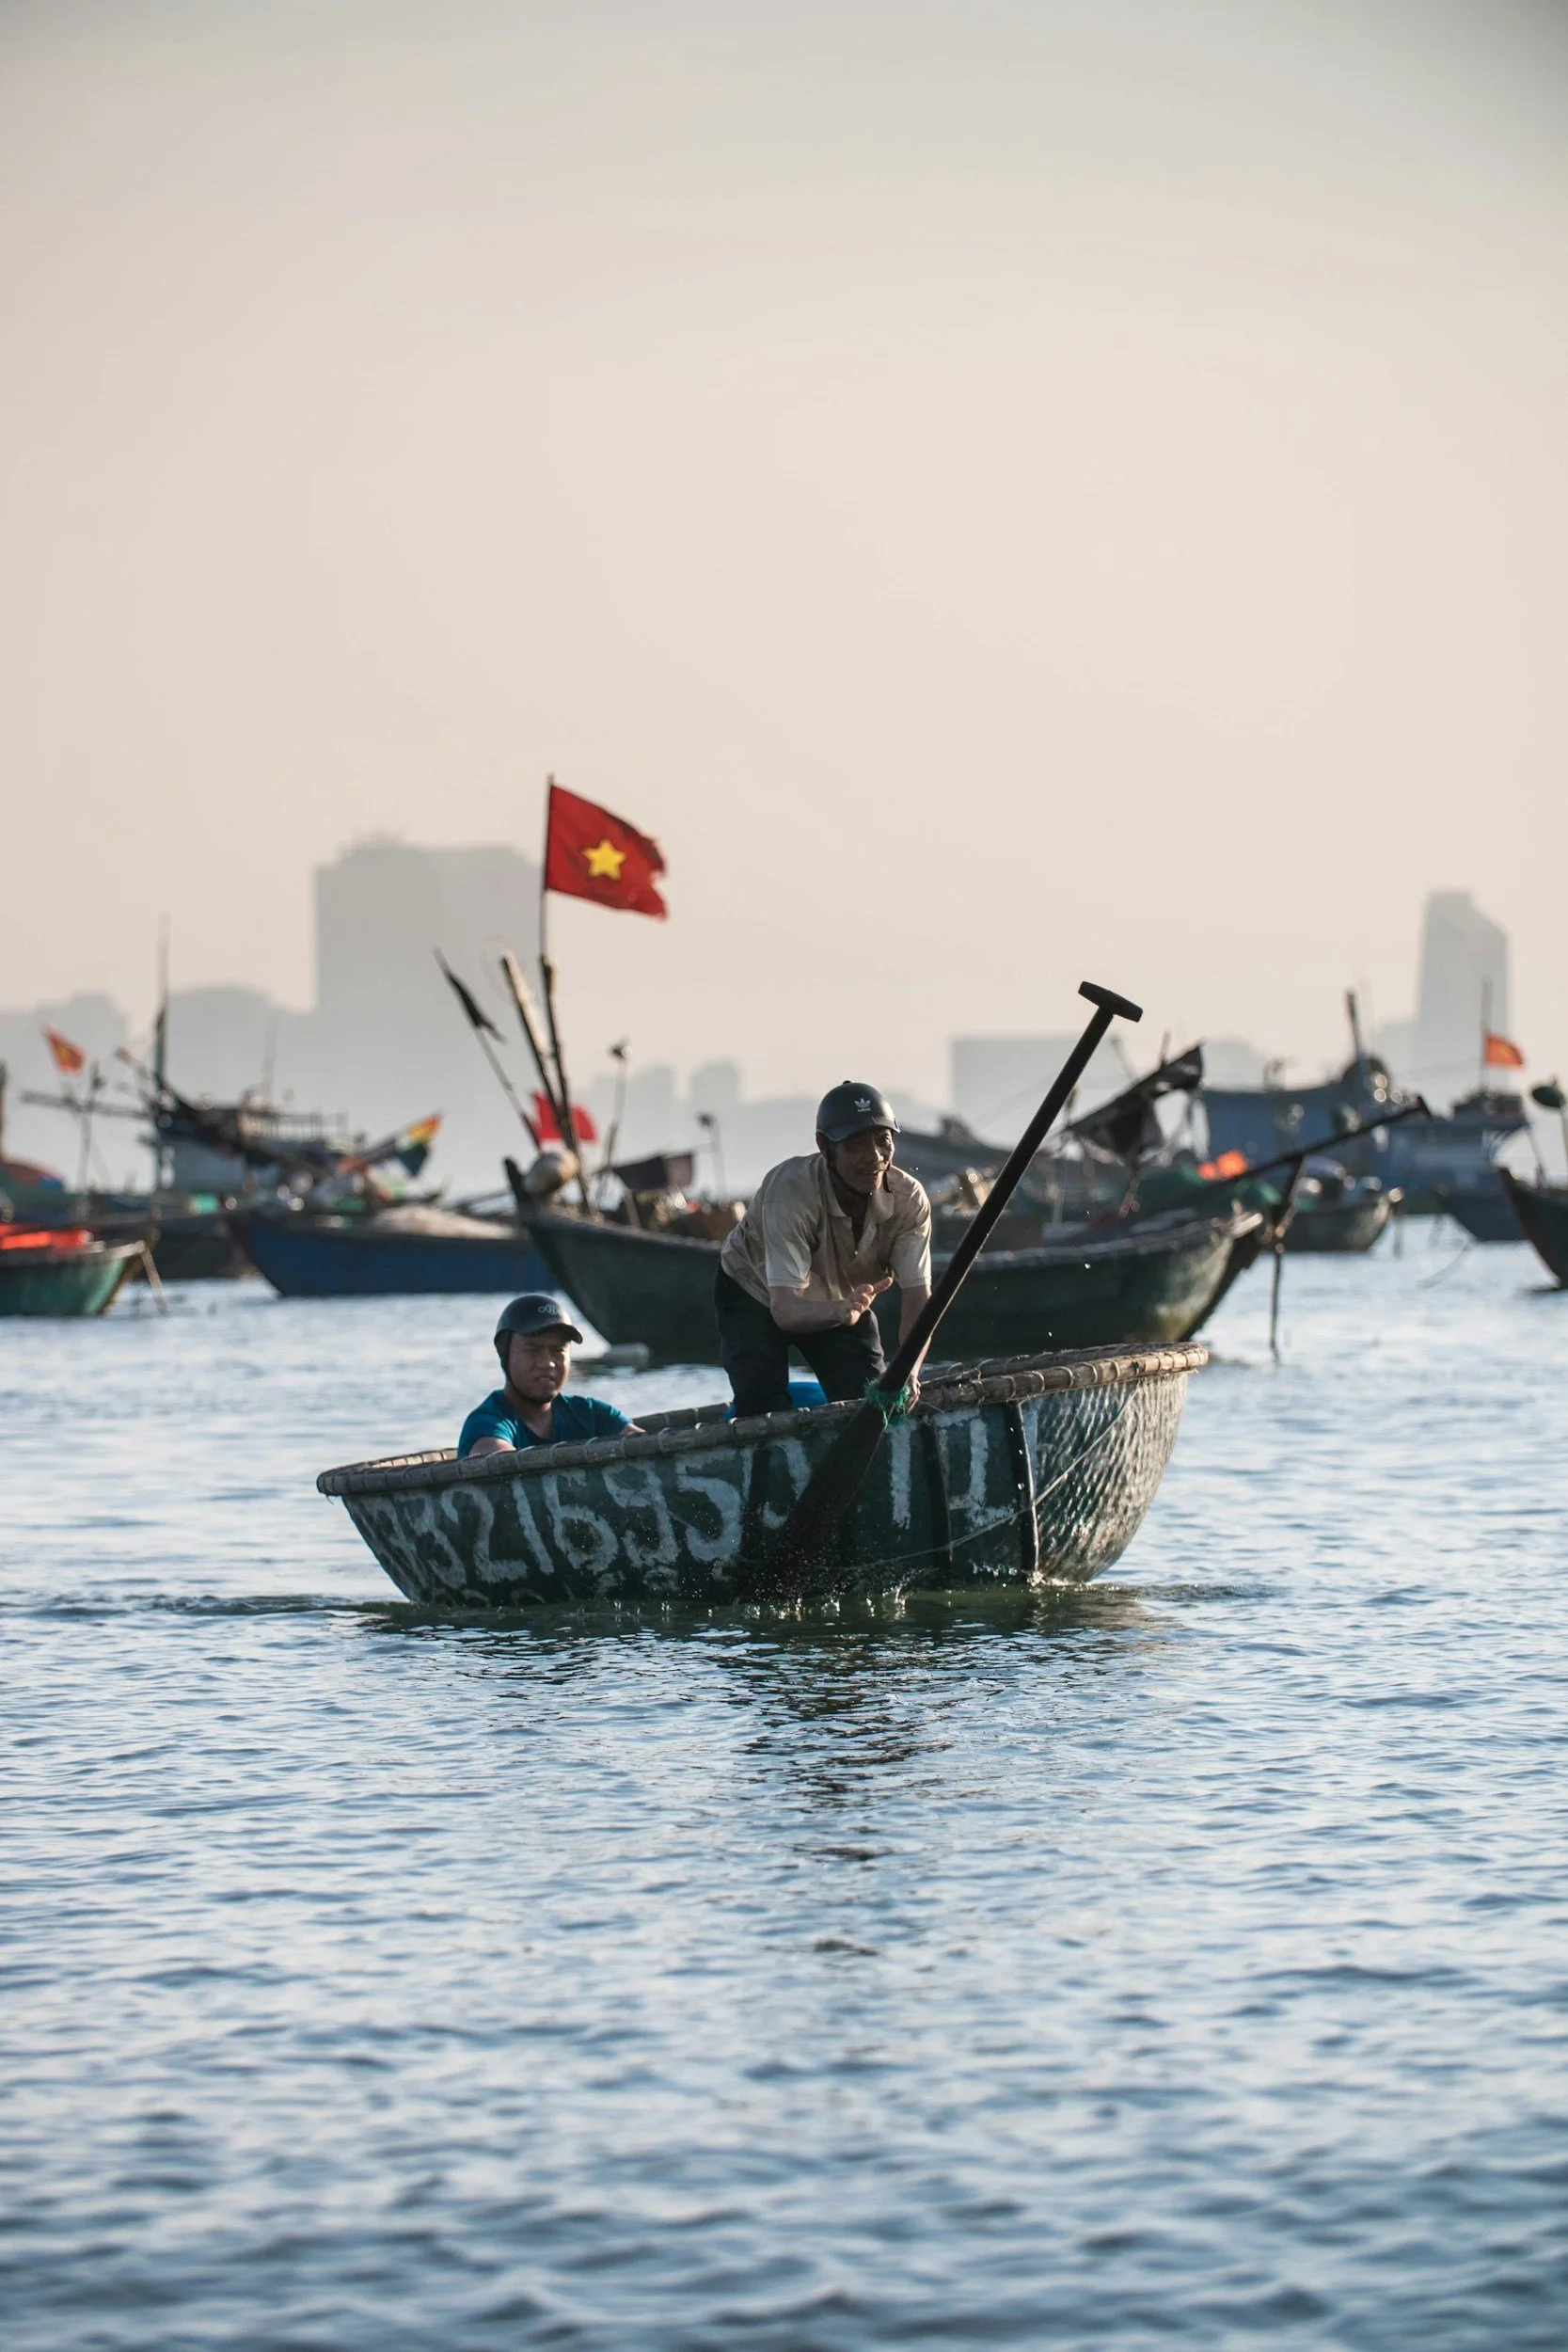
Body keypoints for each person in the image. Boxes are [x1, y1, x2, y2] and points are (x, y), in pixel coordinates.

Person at [715, 1081, 932, 1419]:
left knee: (876, 1405)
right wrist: (840, 1311)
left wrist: (910, 1372)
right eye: (856, 1145)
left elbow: (918, 1299)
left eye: (883, 1141)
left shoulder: (909, 1200)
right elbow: (785, 1311)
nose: (874, 1157)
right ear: (824, 1147)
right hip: (754, 1292)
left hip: (841, 1299)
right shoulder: (790, 1193)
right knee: (762, 1413)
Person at [459, 1294, 639, 1457]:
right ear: (504, 1353)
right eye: (533, 1351)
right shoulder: (488, 1424)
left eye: (558, 1351)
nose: (548, 1363)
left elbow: (643, 1446)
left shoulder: (593, 1415)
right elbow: (496, 1459)